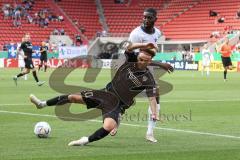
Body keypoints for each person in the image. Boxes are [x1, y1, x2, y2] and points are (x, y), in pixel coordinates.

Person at [29, 42, 173, 146]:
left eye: (144, 61)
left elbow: (152, 99)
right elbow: (129, 48)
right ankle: (42, 104)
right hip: (104, 94)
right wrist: (142, 44)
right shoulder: (130, 61)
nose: (140, 62)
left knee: (109, 126)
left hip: (116, 105)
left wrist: (155, 113)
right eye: (140, 58)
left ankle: (85, 140)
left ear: (149, 63)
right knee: (72, 97)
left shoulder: (148, 79)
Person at [111, 8, 162, 143]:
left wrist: (153, 60)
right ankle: (117, 120)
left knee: (156, 98)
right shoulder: (136, 34)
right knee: (124, 99)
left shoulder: (157, 32)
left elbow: (149, 54)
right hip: (133, 67)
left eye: (149, 17)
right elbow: (132, 54)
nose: (145, 19)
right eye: (144, 17)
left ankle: (150, 132)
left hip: (147, 68)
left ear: (155, 19)